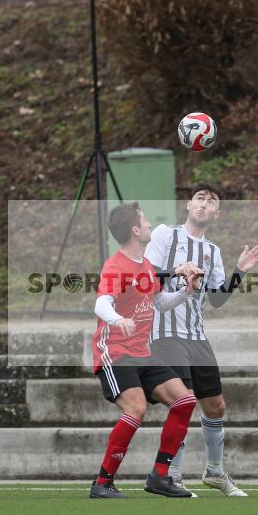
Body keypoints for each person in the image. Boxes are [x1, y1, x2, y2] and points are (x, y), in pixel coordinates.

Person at [145, 183, 258, 496]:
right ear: (188, 204)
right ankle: (171, 475)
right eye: (199, 198)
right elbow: (145, 275)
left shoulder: (213, 251)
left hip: (196, 335)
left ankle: (214, 473)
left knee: (215, 406)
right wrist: (177, 269)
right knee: (183, 401)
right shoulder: (164, 234)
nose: (203, 204)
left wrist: (238, 272)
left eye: (211, 201)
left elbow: (216, 300)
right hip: (165, 331)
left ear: (217, 214)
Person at [90, 203, 202, 499]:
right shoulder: (115, 266)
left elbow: (159, 303)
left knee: (184, 400)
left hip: (142, 352)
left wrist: (185, 292)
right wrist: (117, 319)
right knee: (136, 409)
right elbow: (101, 303)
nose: (150, 224)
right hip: (114, 352)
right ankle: (102, 483)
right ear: (135, 231)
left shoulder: (146, 267)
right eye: (145, 220)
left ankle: (160, 477)